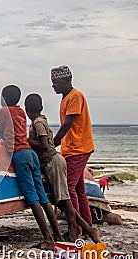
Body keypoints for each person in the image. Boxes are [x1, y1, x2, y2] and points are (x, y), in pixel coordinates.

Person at [0, 85, 63, 250]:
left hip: (20, 156)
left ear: (4, 98)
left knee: (32, 198)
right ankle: (58, 235)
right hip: (31, 154)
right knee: (43, 197)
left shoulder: (4, 111)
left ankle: (48, 239)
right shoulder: (20, 112)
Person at [25, 93, 100, 243]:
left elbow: (45, 145)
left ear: (27, 110)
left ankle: (74, 232)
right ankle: (88, 228)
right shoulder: (41, 120)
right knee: (62, 199)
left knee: (65, 199)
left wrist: (26, 141)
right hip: (54, 162)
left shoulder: (38, 123)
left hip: (53, 162)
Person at [51, 65, 94, 235]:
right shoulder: (66, 98)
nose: (53, 86)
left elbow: (67, 124)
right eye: (52, 83)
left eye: (56, 82)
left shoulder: (75, 96)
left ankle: (75, 229)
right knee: (78, 190)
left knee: (68, 189)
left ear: (66, 81)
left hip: (78, 148)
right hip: (72, 148)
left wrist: (53, 143)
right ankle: (86, 225)